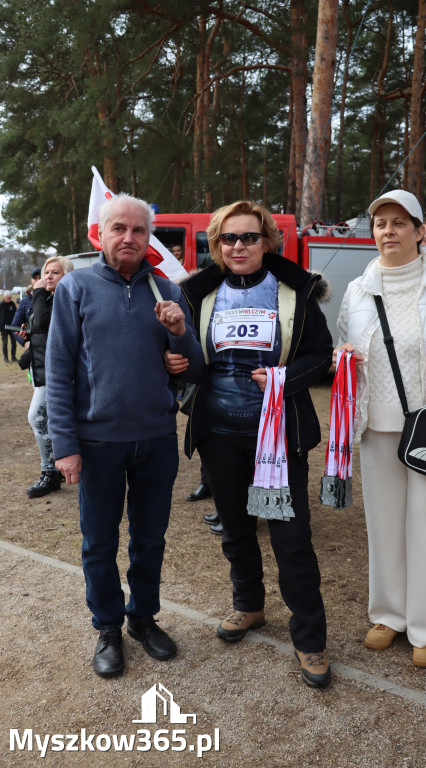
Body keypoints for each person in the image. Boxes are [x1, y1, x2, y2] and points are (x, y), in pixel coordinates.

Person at [164, 200, 333, 688]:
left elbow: (320, 353)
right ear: (216, 245)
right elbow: (191, 359)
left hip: (276, 436)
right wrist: (177, 363)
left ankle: (310, 637)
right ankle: (249, 605)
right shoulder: (197, 294)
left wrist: (284, 377)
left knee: (290, 537)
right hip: (219, 433)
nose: (238, 246)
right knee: (236, 529)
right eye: (228, 239)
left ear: (267, 242)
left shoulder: (294, 292)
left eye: (249, 237)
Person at [46, 193, 204, 679]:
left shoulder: (168, 291)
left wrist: (179, 335)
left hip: (156, 438)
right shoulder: (76, 287)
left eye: (139, 230)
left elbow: (195, 367)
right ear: (102, 233)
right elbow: (58, 371)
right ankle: (108, 626)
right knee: (98, 541)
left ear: (148, 237)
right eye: (120, 228)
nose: (130, 238)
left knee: (150, 537)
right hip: (97, 443)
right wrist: (65, 446)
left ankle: (142, 618)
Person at [335, 189, 426, 668]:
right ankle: (388, 615)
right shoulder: (359, 289)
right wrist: (343, 360)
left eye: (399, 223)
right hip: (377, 427)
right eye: (380, 223)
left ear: (420, 231)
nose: (388, 232)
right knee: (383, 527)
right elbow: (343, 344)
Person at [25, 256, 74, 498]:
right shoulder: (49, 298)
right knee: (49, 419)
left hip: (57, 374)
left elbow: (43, 322)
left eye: (55, 272)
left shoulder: (63, 299)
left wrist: (37, 292)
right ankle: (57, 469)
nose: (48, 277)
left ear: (67, 276)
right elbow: (39, 331)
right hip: (41, 371)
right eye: (46, 272)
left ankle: (50, 472)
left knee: (37, 416)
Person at [0, 291, 17, 362]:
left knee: (14, 342)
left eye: (10, 298)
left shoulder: (12, 304)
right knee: (5, 343)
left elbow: (16, 315)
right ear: (4, 297)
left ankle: (13, 357)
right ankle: (6, 358)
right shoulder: (1, 305)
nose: (9, 300)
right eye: (8, 298)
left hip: (12, 327)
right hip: (3, 328)